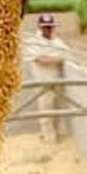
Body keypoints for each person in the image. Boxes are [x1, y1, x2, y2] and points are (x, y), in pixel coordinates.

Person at [27, 14, 68, 144]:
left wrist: (54, 58)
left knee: (58, 108)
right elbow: (39, 59)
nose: (48, 29)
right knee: (46, 110)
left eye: (50, 26)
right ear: (40, 27)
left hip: (57, 80)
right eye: (45, 27)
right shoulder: (33, 41)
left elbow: (68, 54)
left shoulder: (57, 41)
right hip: (43, 82)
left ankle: (58, 134)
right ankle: (49, 138)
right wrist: (57, 59)